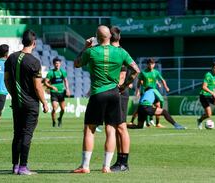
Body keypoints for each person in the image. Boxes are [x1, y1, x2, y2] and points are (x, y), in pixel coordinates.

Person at [73, 25, 140, 174]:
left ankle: (85, 166)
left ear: (96, 37)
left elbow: (76, 64)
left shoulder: (91, 51)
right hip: (115, 94)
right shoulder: (121, 52)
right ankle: (106, 167)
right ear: (110, 36)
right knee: (111, 130)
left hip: (98, 93)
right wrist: (125, 85)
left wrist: (85, 47)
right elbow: (136, 70)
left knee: (89, 130)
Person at [4, 30, 48, 175]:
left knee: (17, 134)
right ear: (34, 44)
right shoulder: (34, 62)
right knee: (27, 134)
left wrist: (14, 95)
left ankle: (15, 166)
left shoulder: (10, 58)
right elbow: (37, 86)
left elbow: (7, 80)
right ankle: (23, 167)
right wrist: (44, 102)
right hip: (30, 104)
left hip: (17, 103)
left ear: (23, 41)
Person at [108, 26, 133, 172]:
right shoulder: (117, 52)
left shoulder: (119, 53)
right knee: (117, 128)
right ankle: (120, 161)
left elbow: (122, 76)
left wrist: (123, 87)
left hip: (119, 93)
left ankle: (124, 162)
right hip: (116, 92)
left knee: (121, 127)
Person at [135, 58, 170, 128]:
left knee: (158, 106)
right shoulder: (143, 72)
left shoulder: (156, 72)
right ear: (147, 64)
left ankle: (157, 123)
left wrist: (166, 87)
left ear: (154, 65)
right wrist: (138, 91)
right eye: (149, 64)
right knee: (146, 107)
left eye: (152, 64)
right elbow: (138, 82)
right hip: (145, 93)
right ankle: (146, 122)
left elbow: (162, 80)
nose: (151, 65)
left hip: (154, 93)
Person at [44, 57, 70, 127]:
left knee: (63, 109)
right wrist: (51, 87)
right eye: (56, 63)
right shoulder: (50, 73)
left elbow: (65, 80)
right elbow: (45, 82)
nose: (57, 65)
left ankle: (60, 118)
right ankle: (53, 121)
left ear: (60, 64)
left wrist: (67, 89)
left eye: (58, 63)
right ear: (53, 64)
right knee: (55, 108)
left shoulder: (62, 72)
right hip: (54, 92)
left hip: (61, 92)